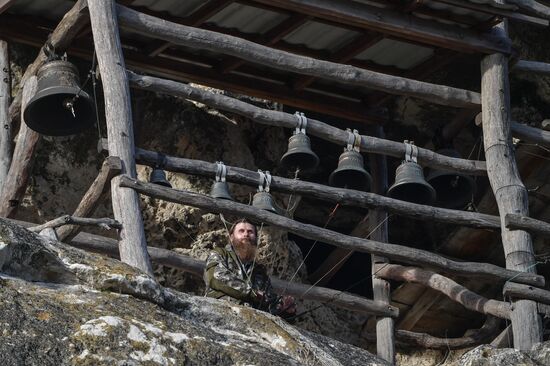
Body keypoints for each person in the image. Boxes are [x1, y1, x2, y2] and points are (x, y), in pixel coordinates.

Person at [204, 218, 296, 319]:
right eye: (241, 231)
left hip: (250, 321)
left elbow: (269, 304)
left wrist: (284, 309)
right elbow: (215, 277)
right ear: (231, 237)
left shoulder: (260, 271)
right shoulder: (220, 253)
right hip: (218, 312)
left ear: (256, 238)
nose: (246, 234)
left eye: (250, 232)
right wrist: (251, 293)